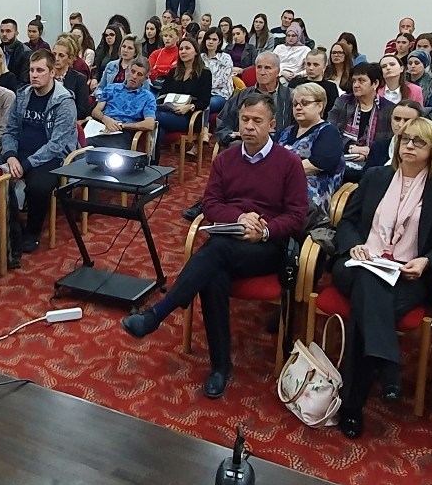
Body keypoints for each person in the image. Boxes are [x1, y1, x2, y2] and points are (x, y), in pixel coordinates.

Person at [119, 94, 308, 398]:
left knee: (214, 252)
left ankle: (158, 314)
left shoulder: (289, 163)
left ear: (272, 125)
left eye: (257, 121)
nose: (249, 127)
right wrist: (239, 217)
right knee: (213, 275)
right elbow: (211, 205)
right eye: (245, 120)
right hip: (229, 238)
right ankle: (220, 367)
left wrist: (264, 230)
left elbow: (297, 217)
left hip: (267, 247)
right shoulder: (226, 159)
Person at [331, 119, 432, 438]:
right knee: (368, 283)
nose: (409, 146)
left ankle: (352, 405)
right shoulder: (376, 176)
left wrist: (426, 261)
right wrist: (355, 245)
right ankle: (389, 368)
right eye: (405, 139)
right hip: (361, 262)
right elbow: (347, 222)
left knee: (367, 308)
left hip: (407, 274)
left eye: (418, 142)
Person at [0, 51, 80, 257]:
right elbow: (10, 131)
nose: (34, 75)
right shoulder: (23, 95)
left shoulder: (64, 102)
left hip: (51, 157)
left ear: (52, 72)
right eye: (31, 70)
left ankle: (32, 232)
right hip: (20, 152)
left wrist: (26, 164)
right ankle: (10, 228)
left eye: (40, 70)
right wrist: (10, 155)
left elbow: (56, 145)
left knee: (38, 187)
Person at [280, 83, 346, 213]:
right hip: (281, 183)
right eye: (295, 104)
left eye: (305, 103)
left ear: (320, 106)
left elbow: (316, 164)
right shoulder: (286, 131)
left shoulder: (328, 132)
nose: (298, 107)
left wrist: (278, 173)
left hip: (312, 194)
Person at [331, 62, 395, 182]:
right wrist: (350, 148)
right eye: (354, 81)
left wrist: (369, 153)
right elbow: (330, 130)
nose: (356, 85)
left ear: (375, 83)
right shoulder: (343, 102)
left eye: (361, 81)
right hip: (343, 157)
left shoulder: (389, 108)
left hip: (374, 163)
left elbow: (389, 141)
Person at [217, 51, 294, 147]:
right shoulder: (242, 95)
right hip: (245, 143)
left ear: (277, 72)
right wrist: (232, 135)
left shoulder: (290, 97)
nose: (262, 72)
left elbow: (297, 127)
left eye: (267, 68)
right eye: (259, 67)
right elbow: (223, 124)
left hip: (279, 144)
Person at [89, 56, 156, 150]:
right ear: (127, 71)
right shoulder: (111, 88)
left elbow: (150, 124)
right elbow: (96, 111)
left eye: (139, 74)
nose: (134, 76)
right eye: (133, 71)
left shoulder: (148, 97)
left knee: (111, 149)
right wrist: (105, 119)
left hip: (124, 132)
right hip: (103, 126)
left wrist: (122, 125)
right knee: (81, 144)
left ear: (145, 78)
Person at [157, 39, 212, 142]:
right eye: (181, 49)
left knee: (153, 116)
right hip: (169, 111)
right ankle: (151, 153)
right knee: (158, 130)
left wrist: (189, 107)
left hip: (188, 116)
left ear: (196, 52)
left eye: (187, 48)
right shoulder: (173, 72)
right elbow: (162, 94)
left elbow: (205, 101)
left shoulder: (205, 73)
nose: (183, 51)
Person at [201, 29, 236, 117]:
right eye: (208, 39)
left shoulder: (225, 58)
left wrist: (202, 87)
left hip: (221, 94)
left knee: (205, 105)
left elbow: (221, 81)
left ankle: (203, 125)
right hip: (203, 94)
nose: (210, 42)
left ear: (219, 42)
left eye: (214, 39)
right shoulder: (200, 58)